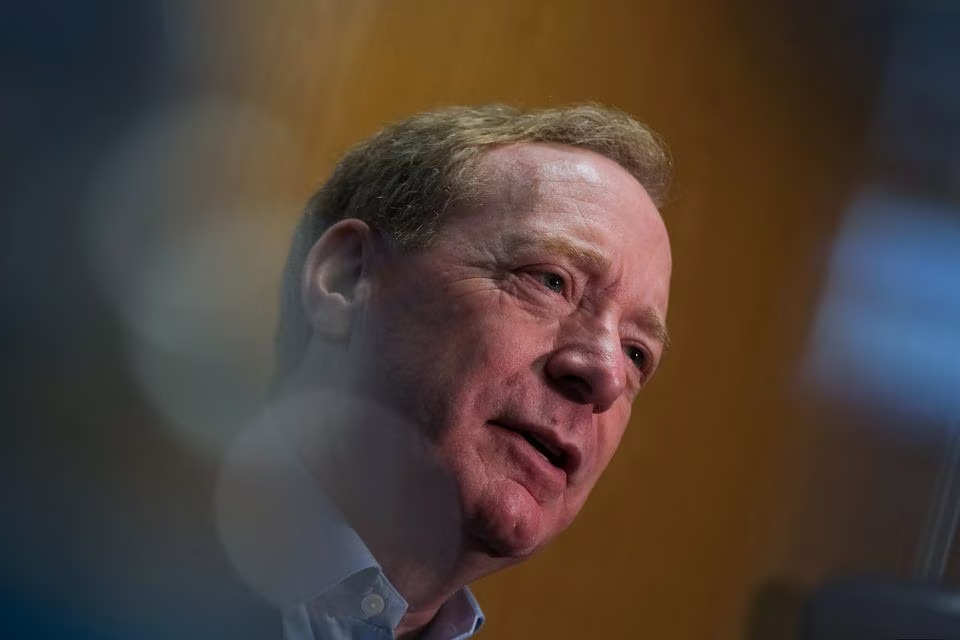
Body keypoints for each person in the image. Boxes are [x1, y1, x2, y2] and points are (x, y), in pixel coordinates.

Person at [216, 104, 673, 639]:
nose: (606, 375)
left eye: (637, 352)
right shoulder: (120, 563)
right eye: (551, 281)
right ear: (346, 279)